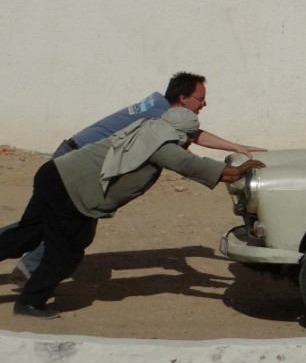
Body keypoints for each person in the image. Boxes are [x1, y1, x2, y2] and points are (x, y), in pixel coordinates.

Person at [3, 71, 266, 286]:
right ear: (183, 98)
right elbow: (194, 141)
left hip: (76, 159)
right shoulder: (162, 115)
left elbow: (192, 134)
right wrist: (237, 148)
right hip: (76, 164)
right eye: (200, 98)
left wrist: (235, 147)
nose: (204, 103)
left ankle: (29, 269)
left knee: (56, 225)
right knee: (55, 225)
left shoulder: (158, 105)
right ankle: (29, 273)